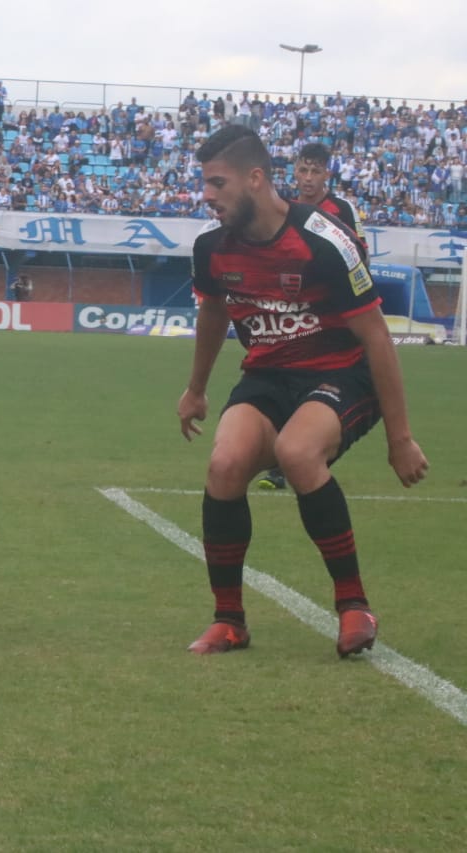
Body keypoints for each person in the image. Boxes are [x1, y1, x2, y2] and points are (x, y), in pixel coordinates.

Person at [178, 124, 428, 658]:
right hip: (268, 376)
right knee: (224, 466)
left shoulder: (323, 240)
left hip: (341, 372)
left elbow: (377, 337)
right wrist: (196, 388)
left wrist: (400, 439)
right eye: (204, 183)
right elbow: (213, 312)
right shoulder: (211, 248)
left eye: (217, 183)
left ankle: (353, 606)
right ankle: (229, 621)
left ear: (256, 178)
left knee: (297, 452)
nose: (207, 195)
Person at [258, 142, 370, 492]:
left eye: (315, 171)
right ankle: (292, 459)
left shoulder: (342, 209)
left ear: (327, 174)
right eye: (302, 170)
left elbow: (360, 258)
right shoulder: (286, 208)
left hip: (334, 311)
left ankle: (296, 461)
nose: (307, 178)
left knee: (323, 384)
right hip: (298, 312)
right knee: (292, 379)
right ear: (294, 170)